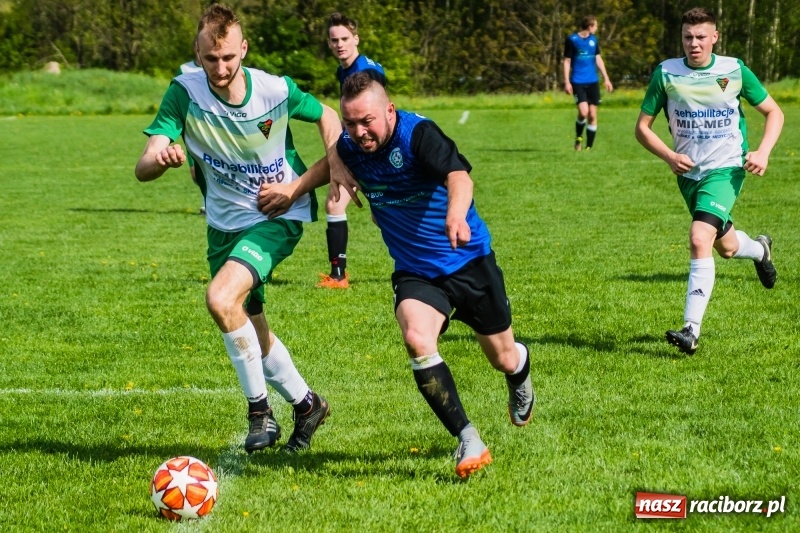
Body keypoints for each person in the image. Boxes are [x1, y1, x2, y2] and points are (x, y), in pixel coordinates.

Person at [135, 3, 350, 453]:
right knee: (248, 323)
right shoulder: (184, 91)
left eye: (229, 57)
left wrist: (309, 178)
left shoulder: (273, 90)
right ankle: (308, 404)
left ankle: (260, 414)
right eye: (210, 59)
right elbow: (144, 166)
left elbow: (329, 115)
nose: (220, 67)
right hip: (223, 225)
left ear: (243, 49)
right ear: (197, 52)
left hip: (277, 215)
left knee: (219, 297)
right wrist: (161, 156)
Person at [330, 72, 534, 478]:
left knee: (503, 357)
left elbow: (459, 176)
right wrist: (295, 188)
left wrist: (455, 214)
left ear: (389, 110)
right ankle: (468, 437)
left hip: (468, 260)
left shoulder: (419, 134)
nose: (358, 132)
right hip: (416, 272)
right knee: (416, 338)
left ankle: (520, 368)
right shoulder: (350, 146)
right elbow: (330, 159)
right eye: (349, 123)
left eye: (366, 121)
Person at [634, 7, 783, 355]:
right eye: (688, 37)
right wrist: (669, 156)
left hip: (726, 169)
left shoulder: (733, 69)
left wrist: (762, 151)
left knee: (699, 236)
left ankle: (691, 329)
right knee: (725, 247)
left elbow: (774, 112)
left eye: (701, 37)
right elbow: (642, 128)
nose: (694, 44)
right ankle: (760, 249)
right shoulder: (666, 74)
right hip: (688, 174)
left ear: (715, 37)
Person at [316, 12, 388, 289]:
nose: (339, 44)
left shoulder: (367, 73)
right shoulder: (343, 71)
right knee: (335, 202)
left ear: (356, 39)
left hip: (375, 153)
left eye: (345, 38)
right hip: (357, 150)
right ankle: (338, 276)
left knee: (384, 214)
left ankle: (429, 259)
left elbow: (378, 114)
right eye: (334, 40)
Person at [563, 15, 613, 151]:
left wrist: (606, 78)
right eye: (596, 26)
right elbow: (567, 61)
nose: (597, 28)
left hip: (593, 82)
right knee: (583, 112)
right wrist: (567, 82)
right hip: (577, 81)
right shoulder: (572, 40)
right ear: (590, 26)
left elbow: (598, 59)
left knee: (592, 114)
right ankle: (578, 138)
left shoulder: (593, 40)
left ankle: (588, 148)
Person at [177, 47, 206, 214]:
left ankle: (208, 206)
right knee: (196, 173)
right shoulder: (184, 69)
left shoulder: (218, 69)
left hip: (215, 125)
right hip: (193, 127)